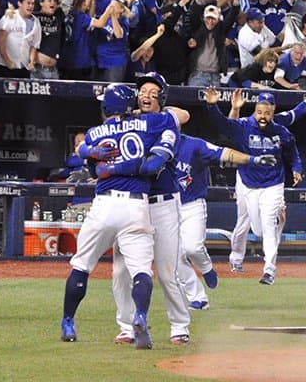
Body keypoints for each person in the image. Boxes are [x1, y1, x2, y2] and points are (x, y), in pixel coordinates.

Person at [59, 84, 179, 349]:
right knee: (141, 272)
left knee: (81, 266)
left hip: (104, 204)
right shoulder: (151, 123)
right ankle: (140, 316)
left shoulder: (95, 132)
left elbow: (87, 161)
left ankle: (68, 322)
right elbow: (176, 119)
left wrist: (93, 155)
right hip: (136, 207)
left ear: (105, 107)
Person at [204, 76, 306, 285]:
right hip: (247, 180)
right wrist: (212, 106)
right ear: (255, 111)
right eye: (259, 112)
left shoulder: (280, 128)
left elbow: (300, 113)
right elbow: (224, 125)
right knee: (247, 225)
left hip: (273, 183)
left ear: (273, 112)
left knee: (267, 226)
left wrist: (297, 169)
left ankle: (269, 270)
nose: (263, 116)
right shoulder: (245, 125)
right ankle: (236, 258)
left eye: (267, 112)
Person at [102, 73, 192, 345]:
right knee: (120, 270)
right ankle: (128, 326)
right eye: (142, 91)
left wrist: (118, 167)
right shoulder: (126, 124)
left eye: (153, 92)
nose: (146, 95)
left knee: (166, 270)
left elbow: (183, 114)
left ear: (162, 99)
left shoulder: (167, 125)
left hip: (162, 202)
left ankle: (179, 326)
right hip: (131, 204)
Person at [174, 133, 275, 310]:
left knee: (193, 247)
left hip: (191, 203)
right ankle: (199, 298)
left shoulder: (193, 144)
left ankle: (206, 268)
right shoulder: (150, 142)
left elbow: (225, 153)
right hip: (164, 206)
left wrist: (253, 160)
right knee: (174, 257)